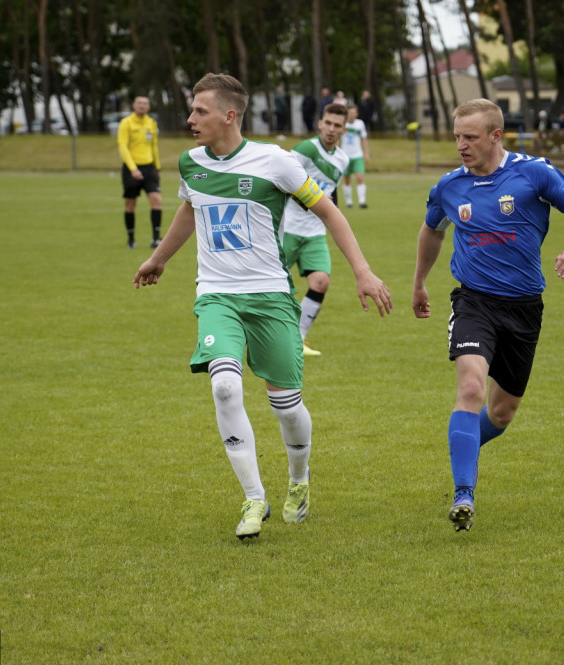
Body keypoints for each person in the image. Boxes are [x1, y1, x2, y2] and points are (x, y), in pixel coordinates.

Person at [132, 73, 392, 540]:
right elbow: (190, 209)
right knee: (226, 388)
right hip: (216, 295)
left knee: (287, 407)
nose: (190, 119)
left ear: (230, 115)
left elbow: (329, 210)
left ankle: (298, 481)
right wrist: (158, 259)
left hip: (271, 296)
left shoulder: (277, 161)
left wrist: (363, 270)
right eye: (191, 111)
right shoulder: (190, 164)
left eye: (200, 111)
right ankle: (254, 498)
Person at [411, 98, 564, 532]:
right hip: (473, 301)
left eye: (470, 137)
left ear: (496, 136)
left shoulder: (534, 172)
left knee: (502, 413)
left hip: (525, 307)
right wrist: (419, 283)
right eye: (457, 136)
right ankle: (464, 493)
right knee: (471, 385)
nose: (461, 145)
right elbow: (432, 230)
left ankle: (466, 444)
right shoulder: (449, 186)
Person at [281, 102, 350, 357]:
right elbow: (280, 178)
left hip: (315, 233)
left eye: (337, 125)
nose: (331, 129)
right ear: (320, 123)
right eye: (328, 123)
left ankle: (298, 339)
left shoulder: (343, 160)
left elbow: (331, 194)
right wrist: (309, 199)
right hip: (287, 228)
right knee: (269, 283)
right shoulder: (306, 149)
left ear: (344, 130)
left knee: (321, 282)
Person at [117, 95, 162, 249]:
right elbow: (123, 146)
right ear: (133, 105)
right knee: (130, 204)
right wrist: (133, 168)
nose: (142, 106)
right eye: (139, 103)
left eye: (145, 103)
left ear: (148, 107)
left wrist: (157, 167)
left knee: (156, 200)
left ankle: (156, 239)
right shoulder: (126, 123)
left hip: (149, 167)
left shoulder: (151, 123)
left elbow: (154, 146)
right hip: (132, 168)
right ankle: (131, 239)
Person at [340, 103, 369, 208]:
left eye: (353, 113)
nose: (352, 115)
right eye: (350, 113)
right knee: (347, 179)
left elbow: (364, 139)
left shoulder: (360, 124)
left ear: (357, 114)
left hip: (357, 155)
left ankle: (362, 201)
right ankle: (349, 202)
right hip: (345, 156)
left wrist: (366, 153)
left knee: (360, 177)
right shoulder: (342, 124)